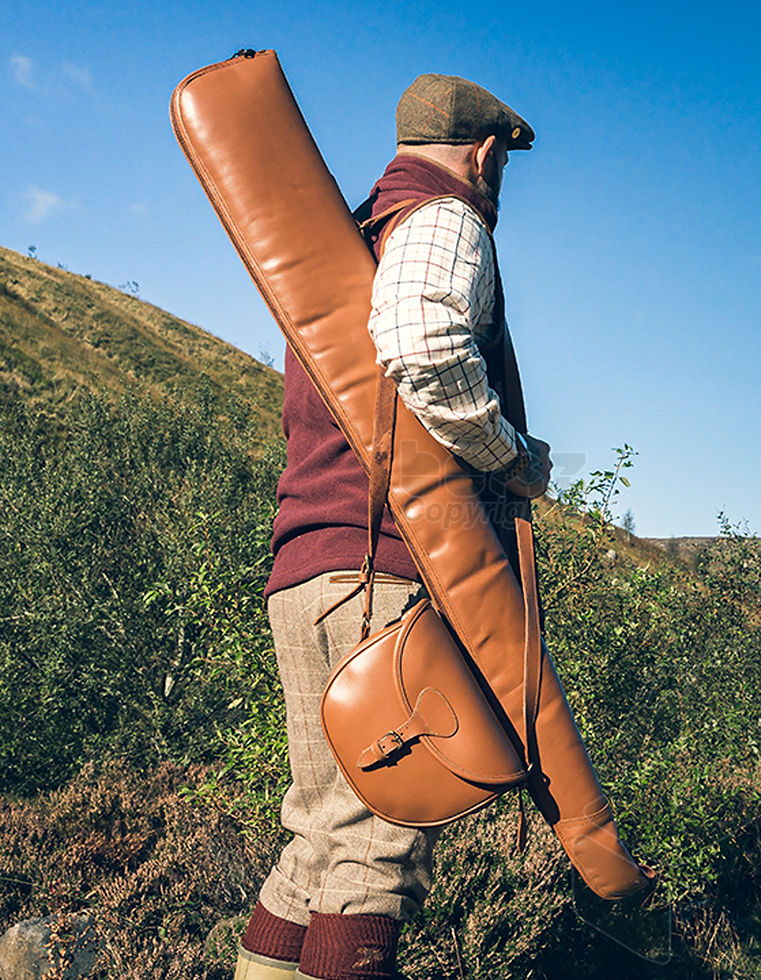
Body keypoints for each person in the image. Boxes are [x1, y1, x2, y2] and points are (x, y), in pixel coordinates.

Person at [235, 74, 552, 980]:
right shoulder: (446, 218)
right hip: (381, 577)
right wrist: (512, 456)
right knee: (381, 845)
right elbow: (424, 345)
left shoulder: (360, 230)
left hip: (313, 566)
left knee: (319, 840)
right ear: (488, 154)